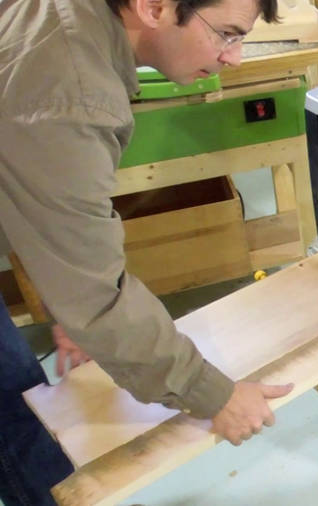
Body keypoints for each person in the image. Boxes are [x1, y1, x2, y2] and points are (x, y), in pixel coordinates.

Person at [0, 0, 295, 503]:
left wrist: (65, 298)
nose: (235, 57)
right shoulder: (69, 95)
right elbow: (98, 297)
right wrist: (215, 395)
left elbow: (27, 190)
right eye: (226, 33)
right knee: (18, 413)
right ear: (154, 7)